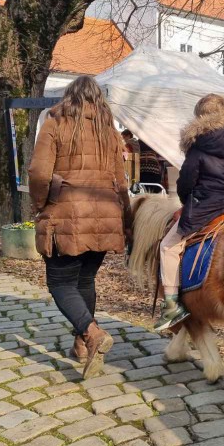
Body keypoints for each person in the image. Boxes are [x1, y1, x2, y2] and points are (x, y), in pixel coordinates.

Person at [28, 76, 132, 379]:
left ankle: (92, 334)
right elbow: (120, 182)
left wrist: (39, 204)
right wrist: (126, 218)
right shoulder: (109, 132)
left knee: (60, 283)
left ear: (69, 96)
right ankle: (82, 345)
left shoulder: (56, 123)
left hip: (66, 215)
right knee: (84, 281)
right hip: (105, 215)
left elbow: (38, 172)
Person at [154, 93, 224, 331]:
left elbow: (186, 182)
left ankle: (171, 305)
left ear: (200, 117)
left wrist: (186, 204)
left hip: (207, 207)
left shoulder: (198, 145)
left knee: (169, 246)